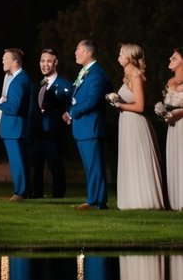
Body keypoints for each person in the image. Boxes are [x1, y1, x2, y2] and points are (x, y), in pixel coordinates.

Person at [109, 42, 165, 210]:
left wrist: (119, 105)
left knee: (138, 159)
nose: (119, 57)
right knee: (129, 159)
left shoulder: (136, 76)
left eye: (121, 54)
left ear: (130, 57)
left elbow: (140, 106)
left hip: (135, 122)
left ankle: (145, 200)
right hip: (127, 122)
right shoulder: (128, 76)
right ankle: (132, 200)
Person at [65, 38, 112, 210]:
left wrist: (74, 111)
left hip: (91, 126)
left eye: (78, 49)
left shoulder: (96, 74)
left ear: (88, 52)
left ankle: (97, 202)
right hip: (83, 127)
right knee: (89, 166)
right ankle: (92, 199)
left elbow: (93, 100)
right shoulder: (85, 72)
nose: (75, 53)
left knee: (95, 165)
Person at [30, 48, 72, 199]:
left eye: (48, 61)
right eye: (42, 61)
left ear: (56, 63)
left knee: (55, 166)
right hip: (37, 134)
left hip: (55, 135)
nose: (45, 64)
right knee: (36, 167)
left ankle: (58, 195)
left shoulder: (65, 84)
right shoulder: (37, 85)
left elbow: (70, 107)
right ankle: (37, 194)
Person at [0, 48, 33, 200]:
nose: (3, 61)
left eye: (6, 59)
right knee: (19, 160)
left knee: (17, 160)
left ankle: (20, 192)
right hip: (14, 127)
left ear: (15, 62)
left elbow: (14, 107)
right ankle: (24, 191)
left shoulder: (19, 81)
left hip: (14, 127)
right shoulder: (19, 79)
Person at [160, 47, 183, 210]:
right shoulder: (170, 82)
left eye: (174, 58)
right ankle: (175, 202)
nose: (170, 59)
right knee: (174, 160)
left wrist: (179, 112)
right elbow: (168, 106)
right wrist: (162, 112)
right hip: (173, 127)